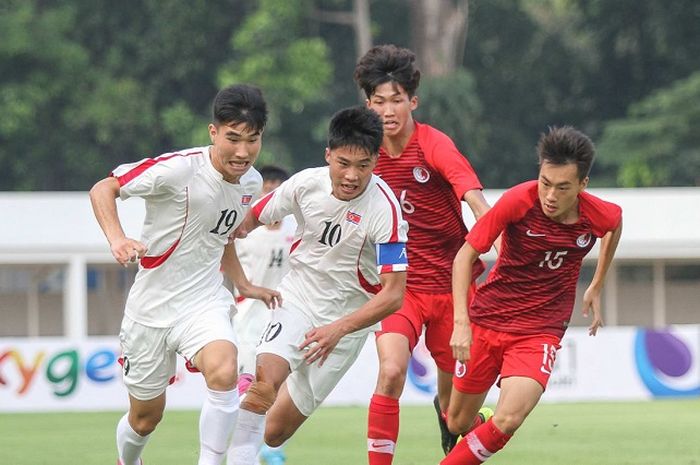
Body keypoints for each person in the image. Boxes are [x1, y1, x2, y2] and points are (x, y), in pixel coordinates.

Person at [89, 84, 281, 465]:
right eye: (233, 139)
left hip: (203, 299)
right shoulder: (178, 169)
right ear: (214, 132)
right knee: (145, 419)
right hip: (151, 309)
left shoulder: (252, 183)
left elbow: (221, 234)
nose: (243, 152)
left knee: (225, 369)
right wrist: (117, 238)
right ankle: (128, 461)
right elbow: (103, 188)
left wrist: (242, 285)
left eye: (253, 140)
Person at [226, 106, 409, 465]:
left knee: (274, 432)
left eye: (364, 165)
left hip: (346, 325)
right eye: (343, 163)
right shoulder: (305, 184)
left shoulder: (386, 210)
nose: (352, 176)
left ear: (377, 160)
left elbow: (394, 293)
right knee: (263, 385)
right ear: (328, 155)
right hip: (297, 300)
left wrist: (337, 330)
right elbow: (249, 220)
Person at [441, 126, 623, 465]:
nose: (550, 195)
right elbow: (463, 258)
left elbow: (614, 225)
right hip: (488, 318)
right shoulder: (518, 200)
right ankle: (478, 423)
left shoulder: (598, 213)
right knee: (458, 422)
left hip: (540, 329)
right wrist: (461, 323)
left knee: (509, 419)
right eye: (545, 182)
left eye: (563, 187)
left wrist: (597, 283)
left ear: (582, 186)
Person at [353, 44, 493, 463]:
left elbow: (473, 198)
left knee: (456, 416)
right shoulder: (366, 157)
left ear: (413, 101)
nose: (388, 110)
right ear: (368, 104)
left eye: (397, 100)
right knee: (392, 370)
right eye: (379, 102)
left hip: (453, 287)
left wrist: (501, 243)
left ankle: (453, 420)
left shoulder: (434, 145)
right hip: (399, 287)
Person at [233, 165, 295, 465]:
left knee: (277, 380)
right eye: (266, 184)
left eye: (276, 185)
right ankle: (240, 447)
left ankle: (269, 450)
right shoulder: (243, 231)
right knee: (249, 381)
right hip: (249, 308)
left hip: (283, 309)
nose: (271, 189)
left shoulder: (294, 230)